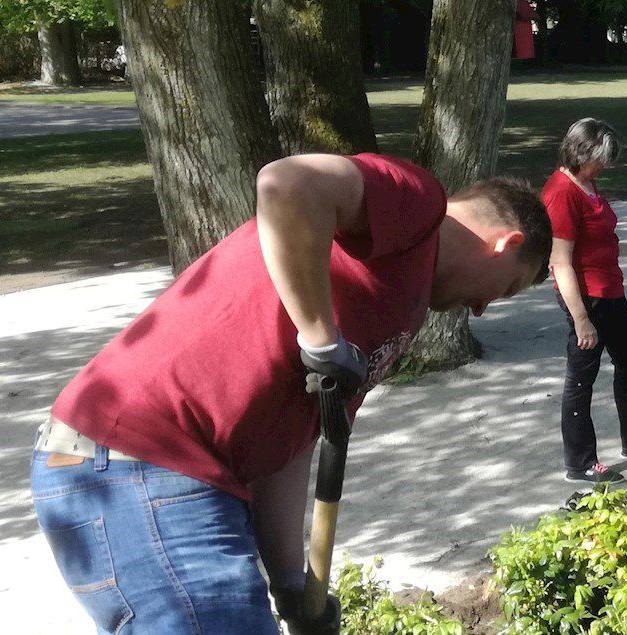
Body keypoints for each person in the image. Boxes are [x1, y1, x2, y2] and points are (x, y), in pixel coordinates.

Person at [31, 153, 552, 633]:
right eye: (506, 288)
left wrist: (290, 585)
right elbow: (286, 182)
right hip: (136, 456)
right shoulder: (419, 203)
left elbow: (290, 443)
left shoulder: (402, 306)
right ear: (504, 244)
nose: (482, 309)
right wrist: (320, 336)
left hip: (183, 477)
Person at [542, 118, 627, 485]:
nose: (606, 166)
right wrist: (581, 319)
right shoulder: (561, 193)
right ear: (582, 153)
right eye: (602, 159)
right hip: (587, 299)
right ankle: (580, 462)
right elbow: (560, 262)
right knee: (581, 379)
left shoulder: (586, 183)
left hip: (610, 291)